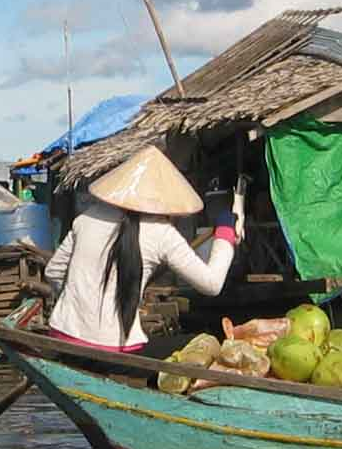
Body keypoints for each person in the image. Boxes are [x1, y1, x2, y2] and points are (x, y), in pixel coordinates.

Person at [45, 147, 240, 351]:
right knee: (203, 340)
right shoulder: (162, 232)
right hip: (117, 351)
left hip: (63, 336)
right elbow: (212, 285)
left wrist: (79, 307)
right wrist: (226, 233)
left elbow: (53, 272)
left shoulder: (88, 217)